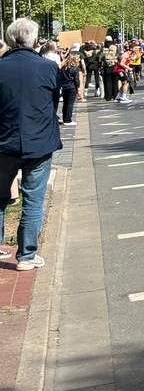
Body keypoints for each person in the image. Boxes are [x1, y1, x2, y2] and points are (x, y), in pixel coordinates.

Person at [0, 18, 62, 270]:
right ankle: (26, 255)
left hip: (3, 142)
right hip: (39, 141)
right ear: (35, 40)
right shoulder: (47, 68)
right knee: (34, 199)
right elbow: (53, 102)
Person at [58, 54, 82, 125]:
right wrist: (78, 88)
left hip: (64, 87)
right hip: (72, 87)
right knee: (70, 104)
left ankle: (65, 118)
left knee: (65, 103)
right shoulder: (75, 68)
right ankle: (68, 120)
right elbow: (76, 80)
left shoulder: (63, 68)